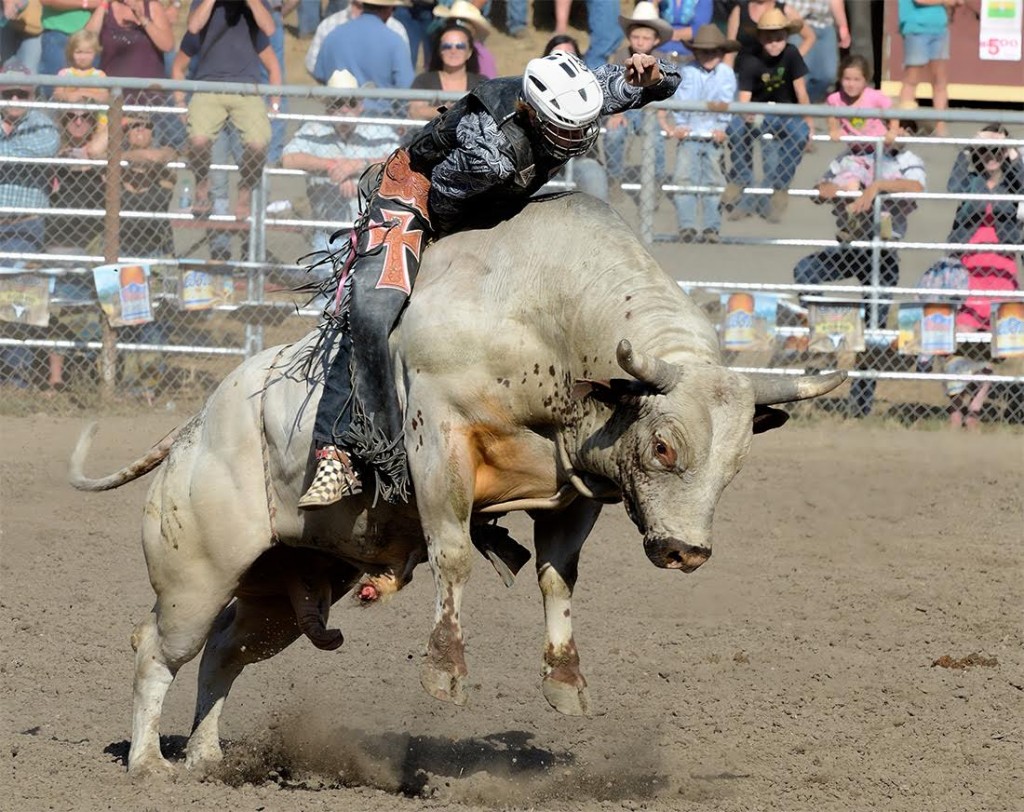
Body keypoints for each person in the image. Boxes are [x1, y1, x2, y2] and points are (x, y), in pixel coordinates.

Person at [298, 50, 681, 508]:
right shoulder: (490, 148)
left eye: (582, 127)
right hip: (416, 195)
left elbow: (638, 85)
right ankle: (339, 450)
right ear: (533, 116)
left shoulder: (567, 100)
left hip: (488, 204)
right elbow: (445, 205)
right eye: (567, 131)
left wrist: (653, 77)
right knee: (370, 312)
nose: (578, 138)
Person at [793, 118, 926, 418]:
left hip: (884, 251)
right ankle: (822, 334)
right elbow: (822, 186)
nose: (899, 133)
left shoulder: (908, 160)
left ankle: (860, 407)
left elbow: (916, 187)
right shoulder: (853, 154)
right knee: (806, 270)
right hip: (850, 247)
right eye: (895, 126)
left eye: (907, 129)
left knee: (874, 329)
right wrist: (825, 190)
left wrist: (877, 186)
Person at [941, 125, 1022, 429]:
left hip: (1001, 270)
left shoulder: (1012, 185)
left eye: (997, 150)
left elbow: (1022, 184)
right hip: (966, 268)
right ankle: (955, 405)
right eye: (985, 150)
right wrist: (967, 148)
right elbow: (952, 187)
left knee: (992, 346)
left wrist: (1013, 152)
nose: (991, 156)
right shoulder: (970, 180)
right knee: (957, 339)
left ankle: (975, 408)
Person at [179, 0, 279, 222]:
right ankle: (202, 184)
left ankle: (243, 193)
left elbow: (271, 29)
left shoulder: (253, 10)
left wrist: (275, 103)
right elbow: (193, 27)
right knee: (197, 141)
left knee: (258, 144)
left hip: (246, 89)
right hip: (208, 87)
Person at [282, 69, 400, 253]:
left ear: (360, 105)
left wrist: (358, 166)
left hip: (375, 231)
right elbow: (288, 159)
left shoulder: (378, 131)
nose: (345, 109)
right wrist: (332, 166)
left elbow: (400, 159)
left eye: (351, 102)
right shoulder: (314, 129)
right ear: (328, 106)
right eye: (338, 103)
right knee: (325, 277)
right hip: (329, 232)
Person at [724, 7, 811, 223]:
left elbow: (800, 91)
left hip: (786, 112)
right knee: (735, 128)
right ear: (760, 38)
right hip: (758, 111)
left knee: (800, 134)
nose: (774, 43)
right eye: (769, 38)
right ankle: (741, 178)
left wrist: (808, 121)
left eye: (779, 38)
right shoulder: (749, 59)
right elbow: (744, 97)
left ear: (787, 38)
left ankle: (781, 185)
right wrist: (747, 114)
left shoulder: (792, 53)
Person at [658, 24, 737, 243]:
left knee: (714, 180)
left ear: (721, 53)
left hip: (713, 134)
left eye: (713, 51)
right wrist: (681, 125)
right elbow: (682, 100)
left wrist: (721, 128)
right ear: (695, 52)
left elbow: (727, 102)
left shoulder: (726, 73)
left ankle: (712, 227)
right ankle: (687, 225)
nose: (709, 56)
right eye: (703, 51)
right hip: (690, 132)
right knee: (685, 178)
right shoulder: (688, 71)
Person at [604, 1, 671, 184]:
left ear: (656, 40)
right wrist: (617, 112)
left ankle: (656, 180)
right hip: (626, 108)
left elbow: (665, 91)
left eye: (646, 38)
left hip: (651, 109)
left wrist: (662, 117)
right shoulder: (621, 55)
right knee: (614, 133)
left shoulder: (662, 59)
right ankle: (614, 178)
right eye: (635, 36)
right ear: (629, 36)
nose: (640, 41)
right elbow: (613, 85)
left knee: (655, 138)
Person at [540, 33, 608, 201]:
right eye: (556, 55)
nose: (562, 60)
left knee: (593, 177)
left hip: (582, 158)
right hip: (543, 161)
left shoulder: (591, 90)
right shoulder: (533, 89)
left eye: (570, 55)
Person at [825, 54, 899, 192]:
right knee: (849, 182)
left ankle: (882, 211)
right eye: (847, 79)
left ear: (865, 80)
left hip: (880, 150)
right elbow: (832, 115)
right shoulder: (835, 99)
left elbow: (892, 112)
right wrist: (834, 129)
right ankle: (857, 208)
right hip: (856, 153)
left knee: (882, 182)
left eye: (857, 79)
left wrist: (893, 131)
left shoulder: (874, 96)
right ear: (840, 79)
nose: (851, 84)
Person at [312, 0, 414, 94]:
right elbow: (405, 85)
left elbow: (320, 74)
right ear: (389, 9)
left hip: (340, 110)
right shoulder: (396, 41)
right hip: (381, 111)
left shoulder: (333, 35)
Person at [897, 0, 960, 138]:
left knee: (940, 81)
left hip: (939, 29)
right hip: (916, 28)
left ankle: (941, 126)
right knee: (911, 80)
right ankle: (905, 125)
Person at [119, 109, 175, 257]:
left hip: (157, 249)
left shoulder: (165, 157)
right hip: (119, 249)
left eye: (147, 125)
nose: (140, 128)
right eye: (134, 124)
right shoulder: (116, 168)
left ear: (153, 132)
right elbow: (94, 153)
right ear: (126, 131)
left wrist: (123, 156)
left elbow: (154, 157)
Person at [408, 18, 481, 120]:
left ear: (469, 52)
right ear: (439, 51)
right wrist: (445, 110)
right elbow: (415, 111)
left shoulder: (481, 83)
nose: (453, 51)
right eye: (447, 46)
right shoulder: (425, 80)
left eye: (460, 46)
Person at [784, 0, 850, 102]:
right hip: (798, 24)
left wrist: (843, 26)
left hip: (825, 24)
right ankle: (797, 106)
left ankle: (807, 104)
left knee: (829, 75)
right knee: (801, 75)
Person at [725, 0, 814, 66]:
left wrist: (791, 61)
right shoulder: (739, 10)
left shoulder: (785, 10)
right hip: (743, 73)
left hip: (774, 75)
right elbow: (730, 47)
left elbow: (809, 37)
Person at [431, 0, 495, 78]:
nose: (458, 27)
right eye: (452, 22)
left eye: (463, 23)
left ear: (473, 30)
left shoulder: (483, 57)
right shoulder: (439, 50)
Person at [52, 28, 107, 113]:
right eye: (78, 52)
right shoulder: (64, 74)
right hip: (69, 117)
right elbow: (57, 95)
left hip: (96, 120)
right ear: (71, 52)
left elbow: (105, 97)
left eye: (88, 52)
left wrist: (84, 94)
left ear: (95, 52)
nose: (83, 57)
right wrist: (70, 96)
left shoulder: (100, 75)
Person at [39, 0, 95, 76]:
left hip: (88, 39)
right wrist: (86, 3)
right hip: (58, 35)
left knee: (87, 86)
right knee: (53, 84)